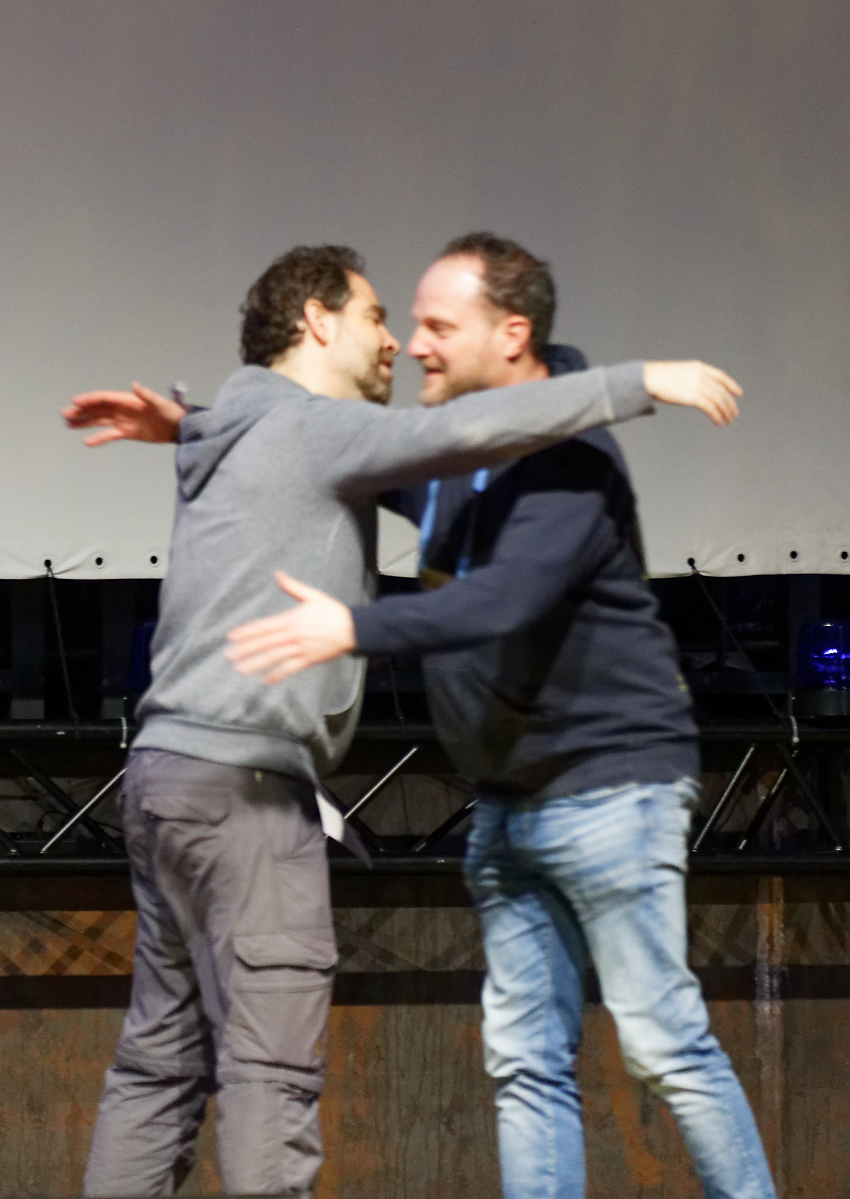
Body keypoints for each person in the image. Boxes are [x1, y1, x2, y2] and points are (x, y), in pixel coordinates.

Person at [61, 242, 740, 1198]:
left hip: (164, 776)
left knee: (158, 1062)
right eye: (377, 318)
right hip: (248, 795)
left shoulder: (237, 430)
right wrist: (639, 383)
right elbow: (473, 430)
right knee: (269, 1071)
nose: (395, 342)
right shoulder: (317, 428)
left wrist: (186, 424)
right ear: (317, 321)